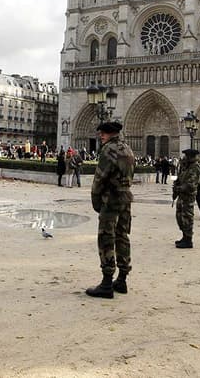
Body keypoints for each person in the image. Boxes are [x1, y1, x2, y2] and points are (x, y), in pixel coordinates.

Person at [86, 121, 135, 299]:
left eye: (102, 134)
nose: (101, 136)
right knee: (123, 237)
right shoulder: (128, 149)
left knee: (107, 239)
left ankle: (107, 283)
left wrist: (96, 200)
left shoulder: (108, 150)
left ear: (108, 134)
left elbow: (100, 178)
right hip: (125, 199)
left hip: (111, 200)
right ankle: (122, 279)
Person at [173, 149, 200, 249]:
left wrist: (180, 188)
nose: (184, 158)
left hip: (188, 196)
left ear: (190, 157)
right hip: (182, 195)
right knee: (180, 216)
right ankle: (184, 236)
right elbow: (180, 178)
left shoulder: (195, 168)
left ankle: (188, 239)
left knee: (187, 217)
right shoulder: (186, 167)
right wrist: (176, 185)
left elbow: (191, 184)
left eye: (186, 156)